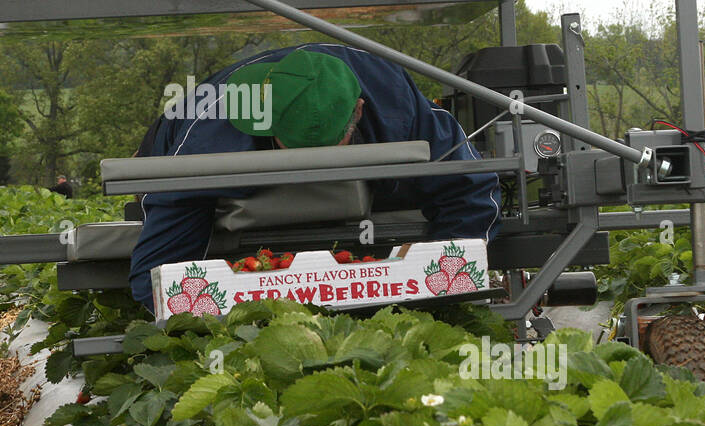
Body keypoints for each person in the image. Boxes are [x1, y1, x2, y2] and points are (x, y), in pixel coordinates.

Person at [128, 43, 501, 311]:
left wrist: (435, 294)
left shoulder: (396, 103)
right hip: (185, 154)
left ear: (359, 111)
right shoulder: (210, 129)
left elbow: (468, 191)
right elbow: (159, 274)